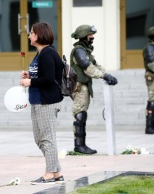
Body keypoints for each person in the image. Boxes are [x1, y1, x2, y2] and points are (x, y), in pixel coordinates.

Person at [19, 22, 64, 185]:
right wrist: (29, 75)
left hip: (47, 102)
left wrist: (29, 82)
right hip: (38, 101)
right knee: (40, 138)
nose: (29, 35)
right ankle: (57, 172)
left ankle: (49, 173)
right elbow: (43, 74)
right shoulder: (41, 53)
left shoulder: (47, 53)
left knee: (47, 138)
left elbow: (49, 79)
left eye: (31, 33)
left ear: (39, 35)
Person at [70, 25, 117, 154]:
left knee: (82, 114)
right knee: (79, 115)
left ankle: (81, 144)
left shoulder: (85, 50)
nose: (92, 38)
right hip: (79, 87)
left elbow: (95, 65)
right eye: (90, 35)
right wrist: (103, 76)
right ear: (84, 36)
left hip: (84, 87)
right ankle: (79, 145)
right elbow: (88, 68)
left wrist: (107, 74)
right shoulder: (79, 51)